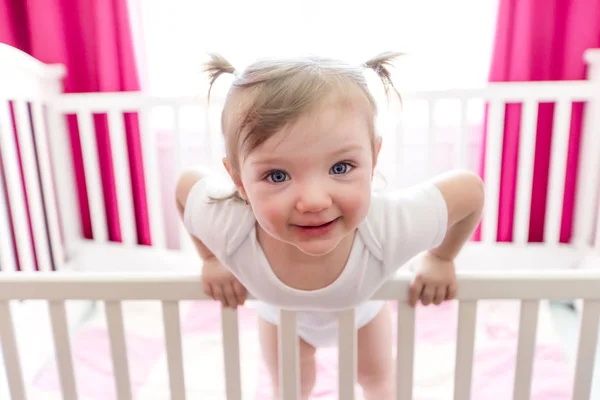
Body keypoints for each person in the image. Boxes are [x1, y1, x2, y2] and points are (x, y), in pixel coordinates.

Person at [175, 51, 484, 400]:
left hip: (362, 311)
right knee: (290, 389)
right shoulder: (232, 229)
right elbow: (186, 187)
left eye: (341, 167)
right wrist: (211, 259)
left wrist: (441, 258)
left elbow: (470, 191)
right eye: (277, 175)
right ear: (239, 181)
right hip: (282, 317)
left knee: (379, 382)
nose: (314, 201)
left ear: (373, 157)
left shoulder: (387, 228)